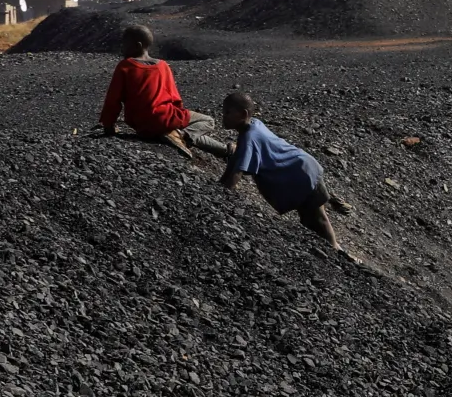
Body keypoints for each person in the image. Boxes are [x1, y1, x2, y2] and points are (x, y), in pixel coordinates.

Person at [216, 90, 348, 247]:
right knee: (310, 220)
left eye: (228, 112)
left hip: (303, 173)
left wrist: (221, 195)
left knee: (319, 218)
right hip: (300, 171)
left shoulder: (250, 138)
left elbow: (237, 173)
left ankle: (337, 250)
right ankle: (336, 249)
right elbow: (236, 160)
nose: (223, 116)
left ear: (243, 114)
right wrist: (219, 186)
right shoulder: (253, 125)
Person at [96, 25, 201, 160]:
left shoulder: (125, 66)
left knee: (202, 129)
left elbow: (113, 99)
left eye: (125, 45)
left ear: (138, 45)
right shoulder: (163, 66)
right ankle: (179, 134)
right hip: (163, 119)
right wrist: (176, 120)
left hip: (140, 124)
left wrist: (108, 125)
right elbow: (175, 97)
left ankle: (177, 135)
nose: (122, 48)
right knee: (208, 121)